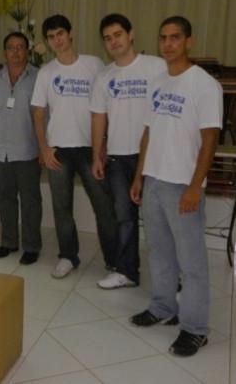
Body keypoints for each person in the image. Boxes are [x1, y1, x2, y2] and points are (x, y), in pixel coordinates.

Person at [129, 16, 222, 357]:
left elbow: (210, 138)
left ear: (188, 41)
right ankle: (162, 306)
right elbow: (149, 133)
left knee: (192, 262)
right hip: (154, 180)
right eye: (163, 37)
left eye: (175, 38)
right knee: (159, 252)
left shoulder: (203, 85)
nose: (168, 44)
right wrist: (139, 176)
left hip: (184, 184)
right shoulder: (157, 82)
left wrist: (196, 187)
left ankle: (196, 329)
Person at [31, 14, 117, 279]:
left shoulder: (94, 65)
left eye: (60, 34)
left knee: (104, 206)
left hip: (90, 150)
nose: (56, 40)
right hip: (58, 151)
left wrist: (102, 146)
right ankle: (68, 256)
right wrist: (44, 149)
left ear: (70, 34)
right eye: (51, 36)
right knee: (61, 208)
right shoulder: (46, 72)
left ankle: (114, 261)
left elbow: (106, 107)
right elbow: (37, 112)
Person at [90, 14, 167, 289]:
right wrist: (97, 154)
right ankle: (127, 272)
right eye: (108, 38)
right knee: (124, 217)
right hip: (118, 157)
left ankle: (173, 278)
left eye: (118, 34)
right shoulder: (104, 77)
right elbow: (99, 117)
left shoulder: (157, 67)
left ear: (131, 34)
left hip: (155, 156)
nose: (113, 41)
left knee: (161, 220)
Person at [0, 32, 42, 264]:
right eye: (11, 48)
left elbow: (44, 115)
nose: (16, 52)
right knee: (5, 198)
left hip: (29, 150)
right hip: (1, 151)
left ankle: (32, 245)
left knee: (30, 201)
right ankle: (8, 242)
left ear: (27, 51)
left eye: (20, 47)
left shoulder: (39, 78)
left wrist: (45, 149)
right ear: (4, 52)